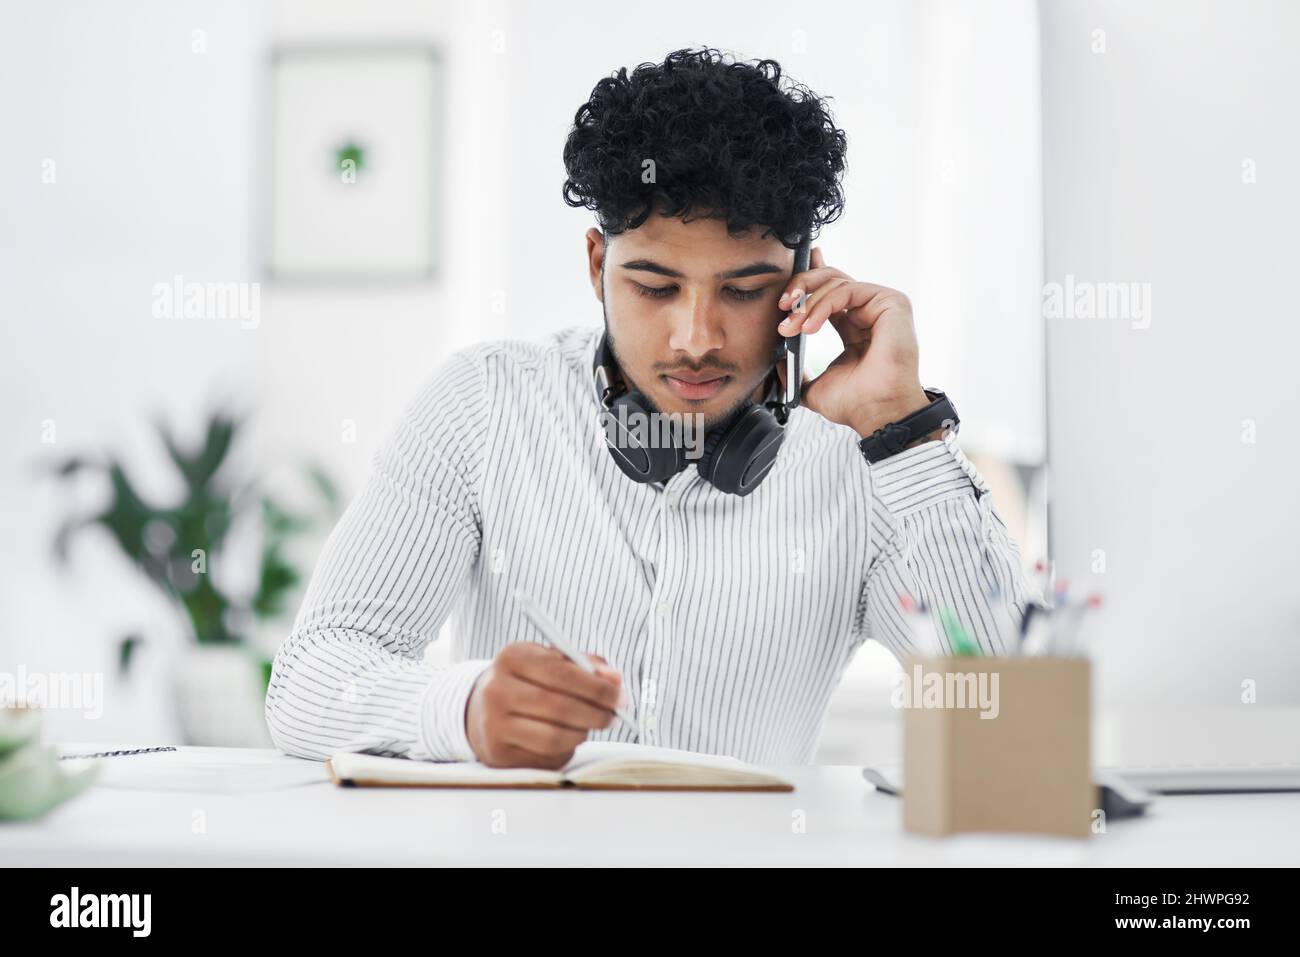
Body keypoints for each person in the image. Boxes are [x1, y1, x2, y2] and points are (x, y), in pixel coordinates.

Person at [265, 47, 1037, 769]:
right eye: (655, 286)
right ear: (598, 263)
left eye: (743, 290)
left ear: (805, 279)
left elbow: (1008, 719)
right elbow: (308, 683)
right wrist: (460, 710)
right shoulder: (483, 406)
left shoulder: (861, 455)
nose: (696, 337)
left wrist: (904, 433)